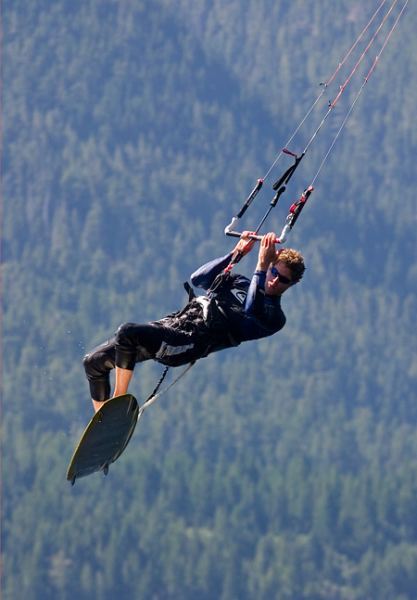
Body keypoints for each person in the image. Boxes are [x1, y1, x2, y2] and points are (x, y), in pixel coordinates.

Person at [83, 232, 305, 412]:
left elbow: (251, 308)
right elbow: (199, 279)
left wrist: (262, 267)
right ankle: (103, 423)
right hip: (173, 326)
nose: (275, 280)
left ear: (291, 284)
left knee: (127, 332)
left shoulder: (274, 316)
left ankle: (116, 406)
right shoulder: (239, 281)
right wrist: (236, 253)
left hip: (189, 343)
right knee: (93, 363)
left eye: (283, 279)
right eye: (274, 272)